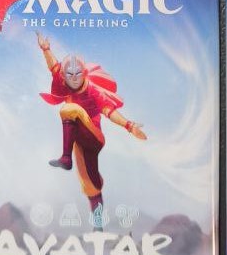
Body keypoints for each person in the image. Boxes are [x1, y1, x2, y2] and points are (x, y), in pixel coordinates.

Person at [36, 31, 145, 229]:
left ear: (84, 73)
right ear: (65, 76)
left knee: (69, 109)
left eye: (78, 74)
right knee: (90, 185)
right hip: (78, 141)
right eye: (69, 75)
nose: (74, 78)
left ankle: (66, 158)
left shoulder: (93, 91)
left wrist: (129, 126)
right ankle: (98, 224)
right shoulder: (63, 80)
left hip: (94, 136)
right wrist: (46, 49)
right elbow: (54, 66)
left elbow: (110, 111)